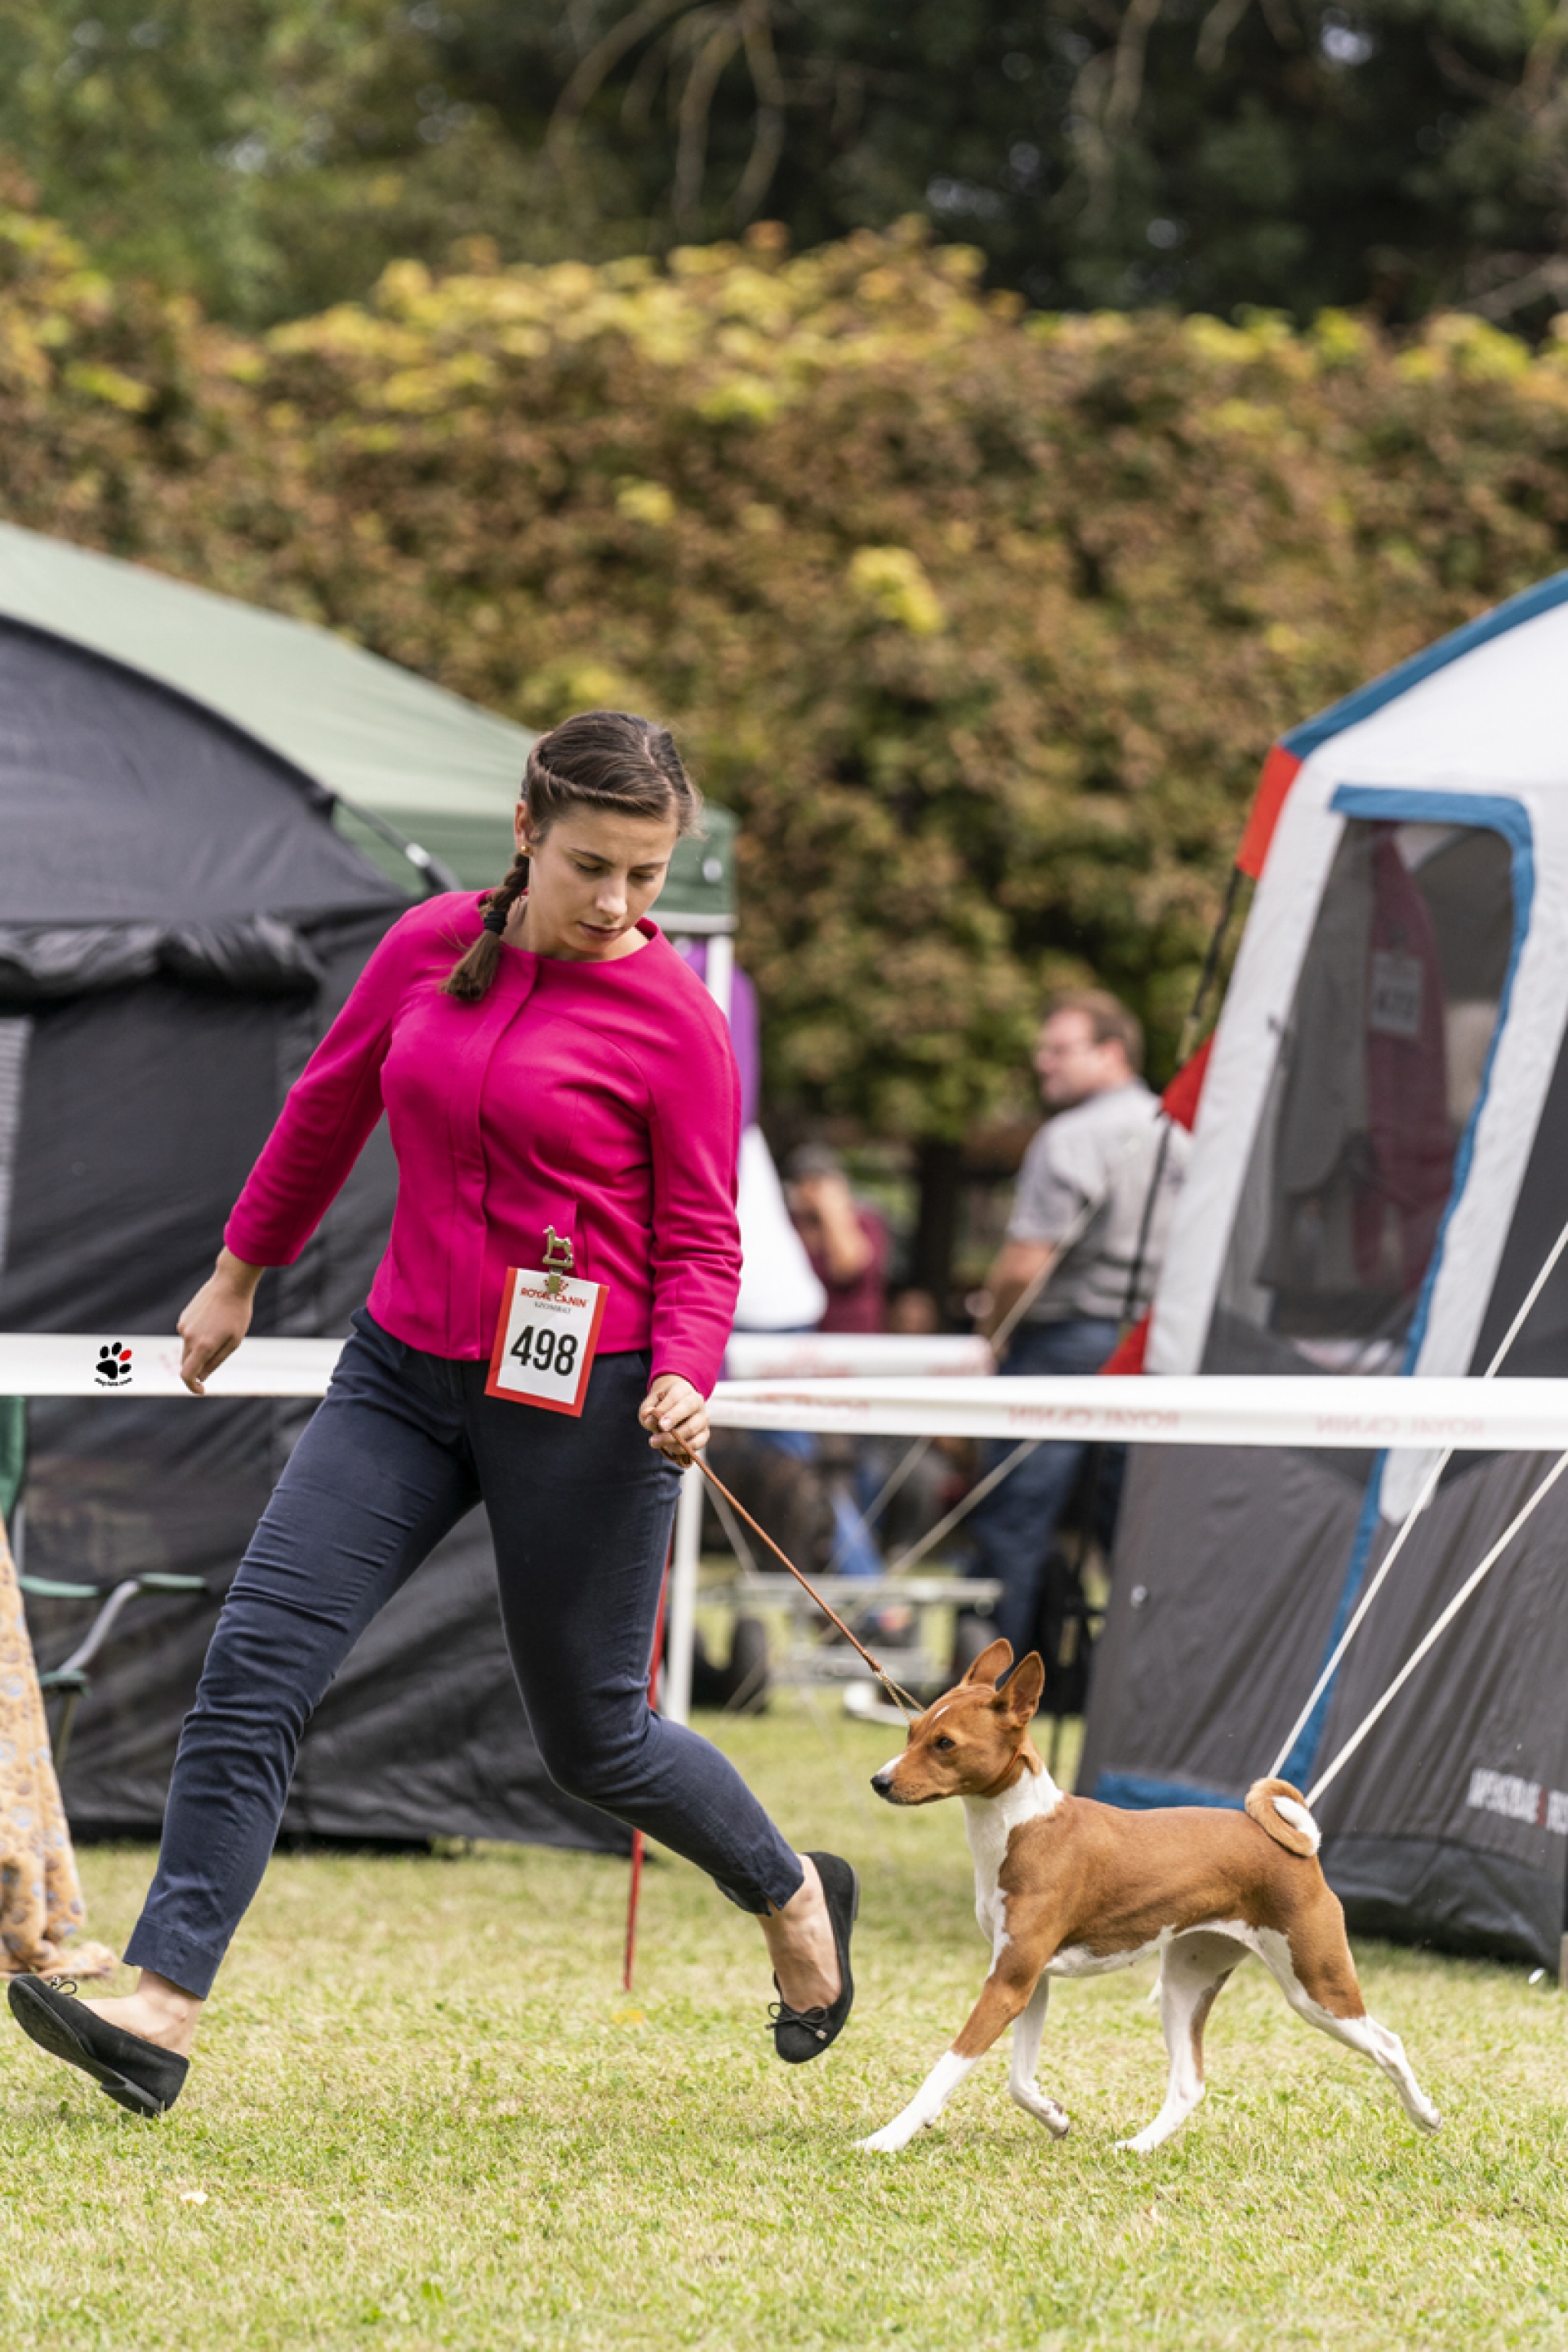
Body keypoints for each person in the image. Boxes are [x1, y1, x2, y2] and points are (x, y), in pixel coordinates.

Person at [7, 711, 856, 2117]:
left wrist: (688, 1371)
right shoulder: (424, 947)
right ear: (526, 831)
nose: (619, 904)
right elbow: (325, 1110)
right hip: (401, 1374)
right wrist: (237, 1275)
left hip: (590, 1401)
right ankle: (159, 2011)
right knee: (254, 1668)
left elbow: (707, 1240)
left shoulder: (677, 1020)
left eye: (646, 876)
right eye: (591, 867)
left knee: (595, 1740)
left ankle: (791, 1892)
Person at [969, 988, 1190, 1658]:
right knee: (1138, 1530)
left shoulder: (1068, 1137)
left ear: (1111, 1052)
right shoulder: (1184, 1133)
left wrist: (992, 1328)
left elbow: (1025, 1263)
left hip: (1062, 1345)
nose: (1043, 1062)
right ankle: (1147, 1676)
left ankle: (991, 1685)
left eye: (1060, 1049)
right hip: (1156, 1347)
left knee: (1015, 1519)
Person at [785, 1146, 889, 1334]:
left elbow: (848, 1269)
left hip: (854, 1339)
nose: (809, 1192)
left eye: (817, 1183)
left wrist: (831, 1211)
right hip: (802, 1336)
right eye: (802, 1183)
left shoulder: (866, 1223)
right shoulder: (788, 1225)